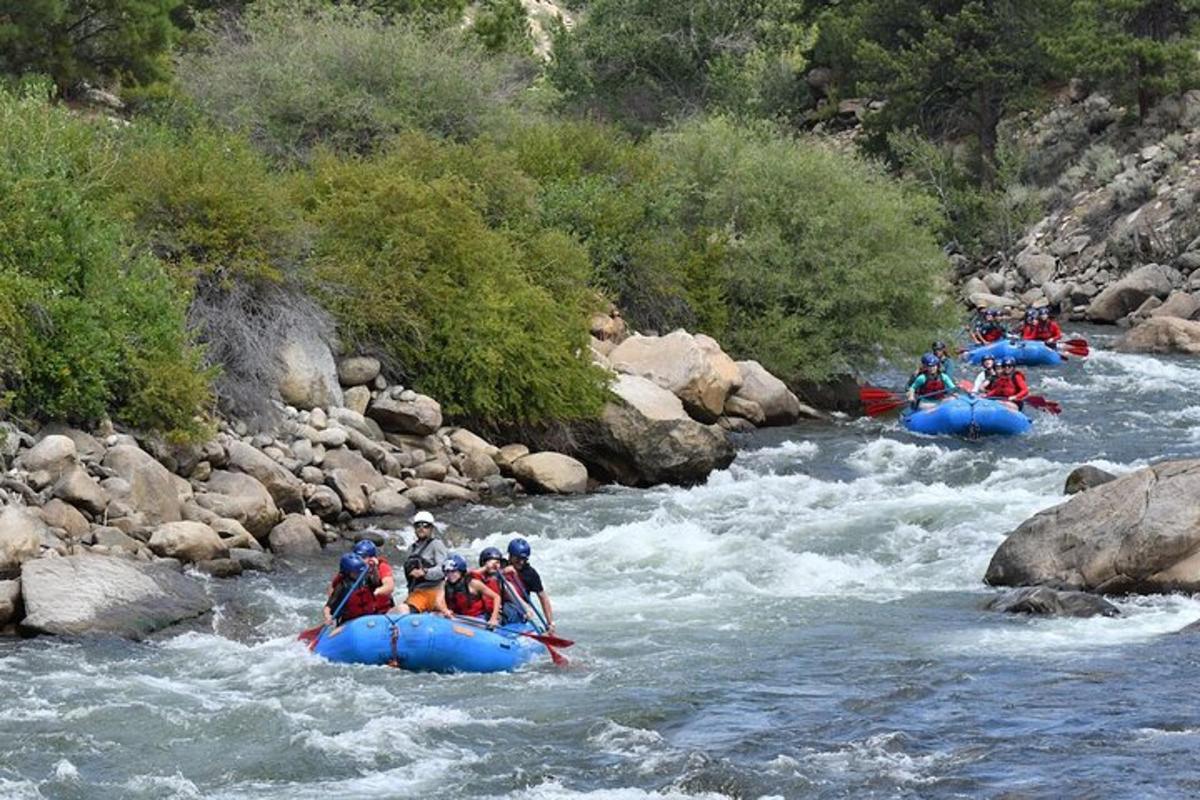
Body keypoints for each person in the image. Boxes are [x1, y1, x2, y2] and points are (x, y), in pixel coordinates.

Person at [401, 511, 450, 614]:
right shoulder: (411, 548)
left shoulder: (436, 545)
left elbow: (444, 569)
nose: (421, 528)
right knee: (400, 611)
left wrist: (425, 572)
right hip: (416, 592)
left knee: (405, 611)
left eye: (425, 526)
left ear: (431, 528)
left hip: (433, 590)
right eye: (418, 526)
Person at [504, 537, 555, 633]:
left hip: (517, 609)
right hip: (499, 604)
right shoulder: (501, 566)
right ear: (510, 556)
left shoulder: (530, 574)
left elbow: (543, 597)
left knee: (508, 609)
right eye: (518, 558)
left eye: (524, 559)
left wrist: (550, 623)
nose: (521, 562)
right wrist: (503, 572)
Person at [475, 546, 531, 625]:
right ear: (483, 563)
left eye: (497, 563)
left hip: (500, 612)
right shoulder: (475, 578)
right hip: (484, 613)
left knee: (514, 611)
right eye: (490, 562)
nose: (494, 565)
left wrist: (527, 609)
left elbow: (514, 596)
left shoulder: (501, 579)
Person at [442, 554, 502, 628]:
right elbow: (440, 602)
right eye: (447, 572)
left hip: (477, 619)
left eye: (453, 571)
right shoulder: (445, 585)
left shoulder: (473, 583)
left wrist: (493, 618)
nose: (450, 575)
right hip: (459, 618)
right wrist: (446, 610)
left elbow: (496, 597)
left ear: (461, 571)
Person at [323, 553, 379, 626]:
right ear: (347, 572)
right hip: (349, 621)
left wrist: (374, 568)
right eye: (356, 572)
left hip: (368, 618)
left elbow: (376, 583)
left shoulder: (365, 579)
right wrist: (327, 616)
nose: (359, 574)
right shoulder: (342, 586)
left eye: (360, 571)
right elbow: (328, 606)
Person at [352, 539, 395, 613]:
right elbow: (335, 590)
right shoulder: (351, 568)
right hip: (360, 612)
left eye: (362, 557)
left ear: (372, 558)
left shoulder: (382, 567)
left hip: (381, 611)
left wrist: (376, 592)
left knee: (402, 609)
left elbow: (389, 586)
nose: (358, 560)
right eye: (357, 557)